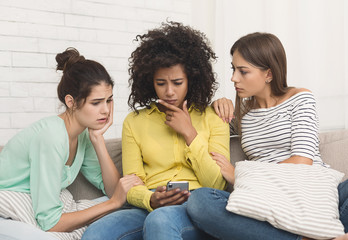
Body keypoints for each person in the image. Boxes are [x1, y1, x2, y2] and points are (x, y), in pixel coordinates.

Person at [186, 32, 348, 240]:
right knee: (200, 201)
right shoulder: (242, 114)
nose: (234, 78)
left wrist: (240, 176)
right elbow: (205, 130)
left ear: (268, 74)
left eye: (243, 71)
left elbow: (302, 161)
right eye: (233, 69)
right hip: (267, 200)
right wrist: (216, 107)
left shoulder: (300, 98)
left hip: (314, 194)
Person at [81, 21, 230, 240]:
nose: (169, 91)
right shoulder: (135, 122)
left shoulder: (214, 117)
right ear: (150, 81)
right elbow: (131, 183)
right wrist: (150, 200)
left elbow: (217, 184)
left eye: (177, 82)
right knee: (97, 233)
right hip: (150, 205)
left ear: (192, 79)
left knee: (160, 221)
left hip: (198, 205)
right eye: (161, 83)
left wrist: (189, 133)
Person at [0, 48, 143, 239]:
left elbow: (112, 189)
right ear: (71, 102)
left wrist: (98, 140)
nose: (106, 110)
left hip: (39, 206)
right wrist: (113, 204)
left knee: (125, 210)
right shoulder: (52, 136)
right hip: (9, 206)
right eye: (96, 103)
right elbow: (50, 223)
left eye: (109, 101)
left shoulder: (83, 134)